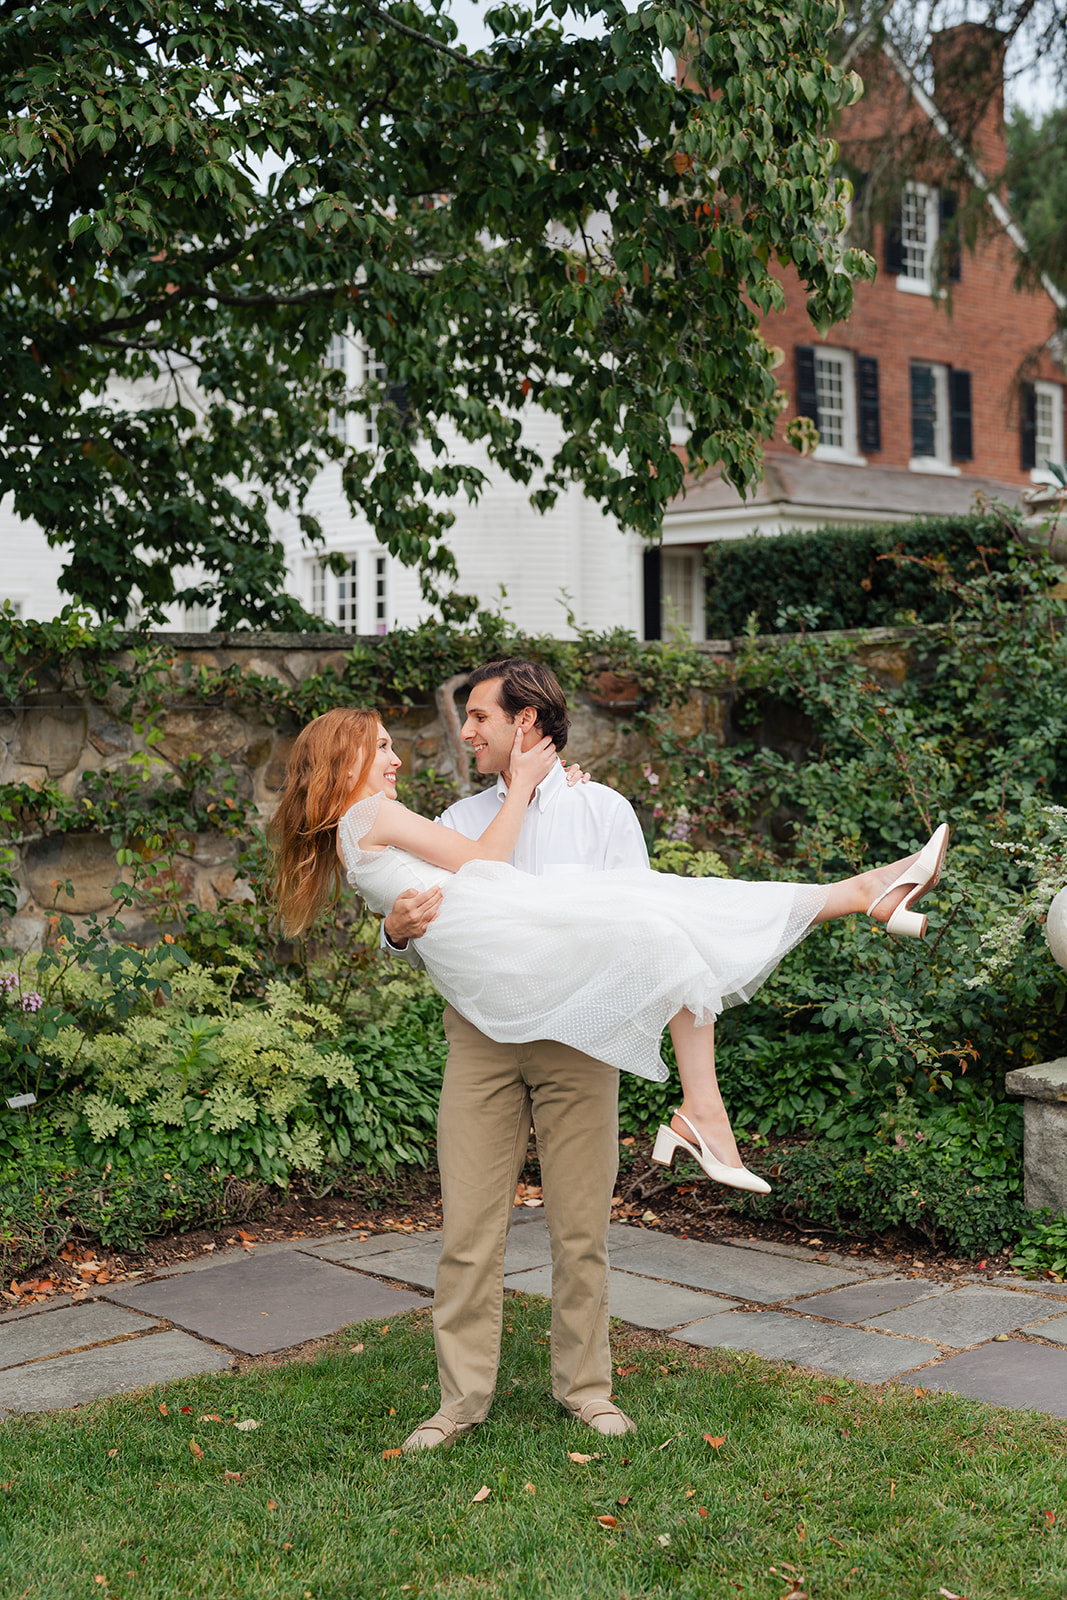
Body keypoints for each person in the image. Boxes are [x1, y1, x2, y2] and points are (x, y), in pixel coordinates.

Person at [270, 675, 949, 1450]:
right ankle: (459, 1403)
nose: (461, 736)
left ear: (523, 722)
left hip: (578, 1037)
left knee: (584, 1215)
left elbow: (635, 906)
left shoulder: (601, 807)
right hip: (483, 1037)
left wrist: (540, 793)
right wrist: (393, 931)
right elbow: (432, 896)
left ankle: (587, 1389)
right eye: (388, 744)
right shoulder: (454, 817)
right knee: (467, 1230)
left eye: (480, 718)